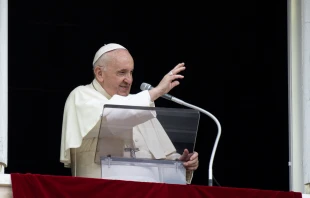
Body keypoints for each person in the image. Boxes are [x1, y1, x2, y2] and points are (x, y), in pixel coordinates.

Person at [60, 43, 199, 184]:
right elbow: (112, 117)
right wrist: (156, 92)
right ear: (99, 73)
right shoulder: (82, 95)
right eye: (122, 72)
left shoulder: (138, 104)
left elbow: (164, 160)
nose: (129, 80)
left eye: (131, 72)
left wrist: (182, 164)